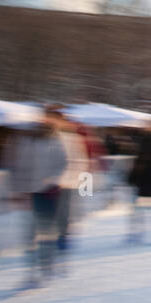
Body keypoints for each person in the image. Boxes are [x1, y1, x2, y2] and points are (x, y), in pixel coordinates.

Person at [2, 112, 69, 284]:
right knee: (29, 233)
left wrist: (50, 181)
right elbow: (13, 164)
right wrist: (15, 190)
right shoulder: (22, 141)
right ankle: (31, 271)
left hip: (46, 192)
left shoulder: (55, 139)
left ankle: (46, 265)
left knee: (45, 231)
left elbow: (63, 162)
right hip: (26, 192)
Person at [47, 106, 90, 252]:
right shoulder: (45, 137)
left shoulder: (71, 137)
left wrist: (80, 182)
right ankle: (50, 236)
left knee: (63, 212)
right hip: (48, 181)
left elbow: (81, 159)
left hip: (67, 182)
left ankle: (62, 236)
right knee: (51, 211)